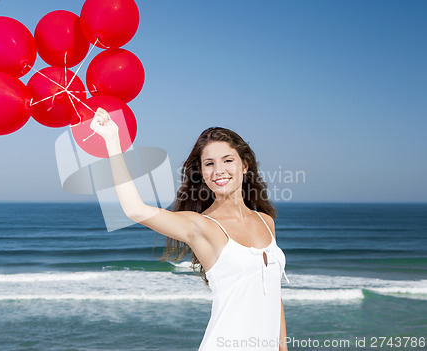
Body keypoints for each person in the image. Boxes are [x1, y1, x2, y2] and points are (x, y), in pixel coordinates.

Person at [91, 107, 289, 351]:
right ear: (202, 173)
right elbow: (135, 210)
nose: (219, 171)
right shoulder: (201, 226)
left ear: (245, 166)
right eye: (209, 164)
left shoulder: (265, 221)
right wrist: (112, 140)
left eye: (228, 160)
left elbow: (272, 294)